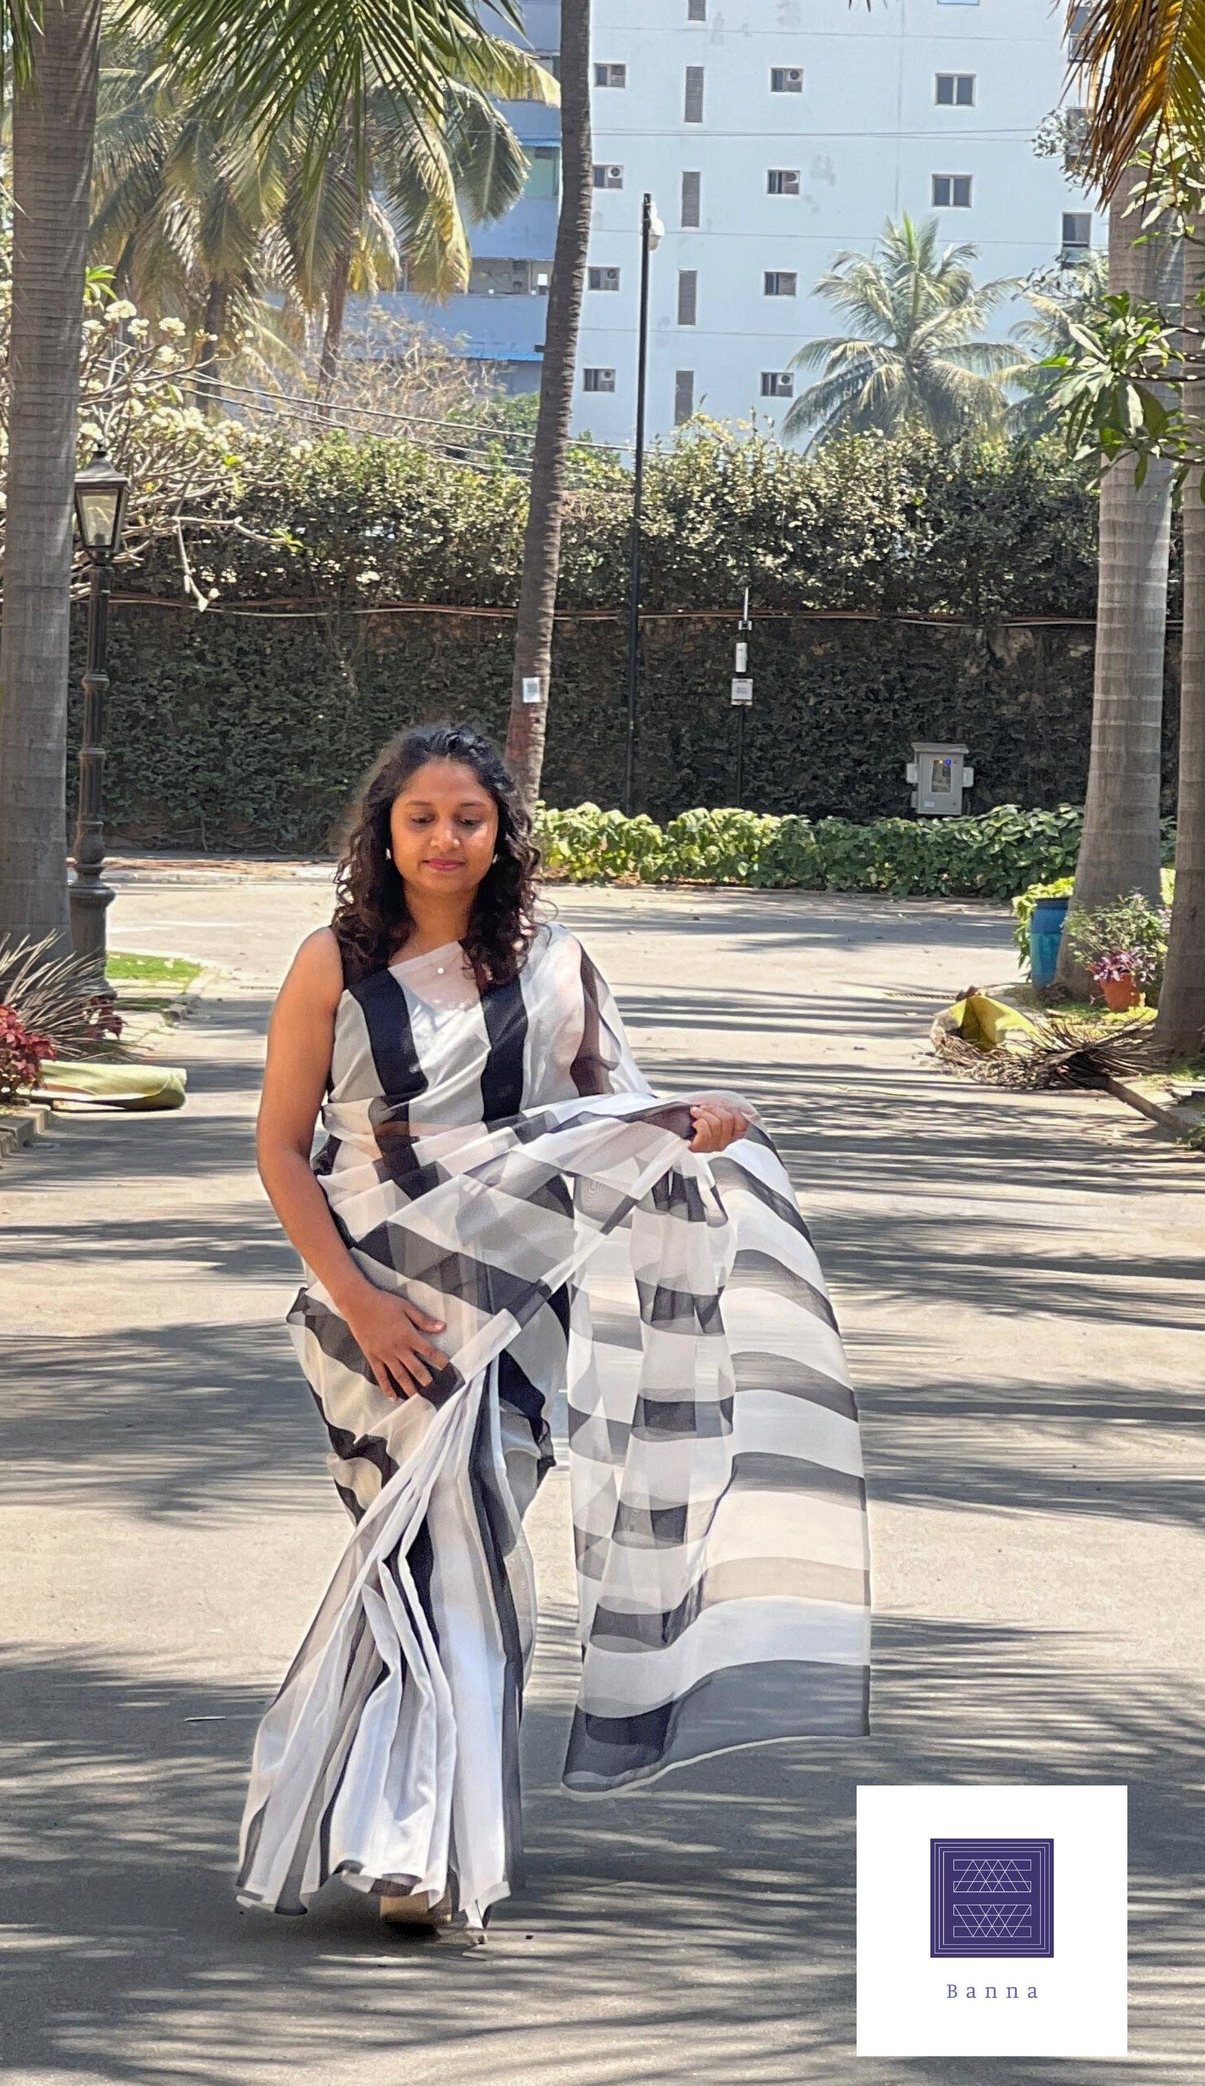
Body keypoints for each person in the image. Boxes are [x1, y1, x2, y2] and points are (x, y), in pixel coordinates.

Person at [237, 721, 871, 1934]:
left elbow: (610, 1117)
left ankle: (411, 1837)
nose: (443, 837)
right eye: (420, 816)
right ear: (383, 831)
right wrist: (362, 1303)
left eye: (466, 817)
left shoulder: (555, 960)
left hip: (519, 1300)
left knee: (466, 1550)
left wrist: (692, 1120)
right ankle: (410, 1838)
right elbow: (278, 1147)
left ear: (501, 833)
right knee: (420, 1553)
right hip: (374, 1304)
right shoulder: (332, 962)